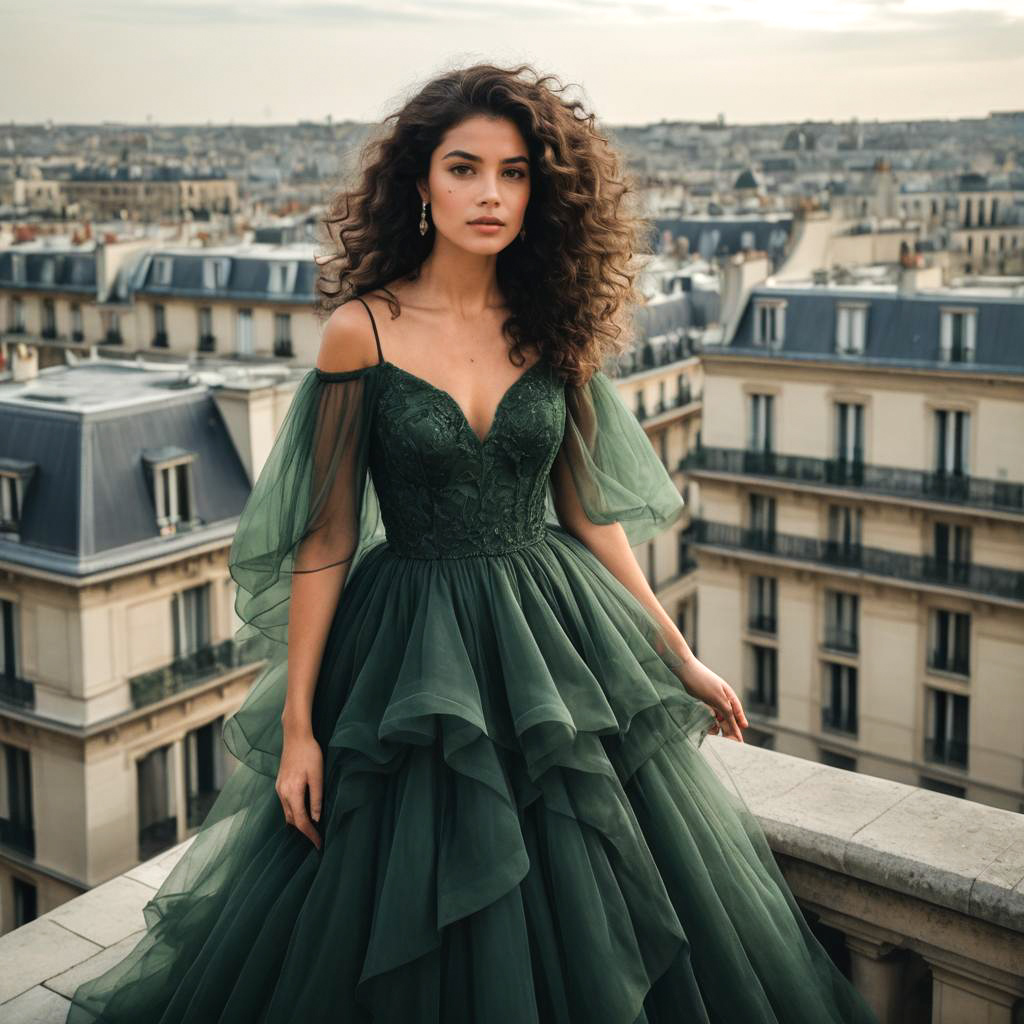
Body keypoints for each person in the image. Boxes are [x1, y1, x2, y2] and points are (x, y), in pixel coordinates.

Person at [66, 63, 880, 1024]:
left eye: (516, 172)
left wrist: (680, 653)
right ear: (419, 182)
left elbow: (591, 516)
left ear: (543, 190)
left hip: (556, 646)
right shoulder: (358, 334)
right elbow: (325, 539)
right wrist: (298, 733)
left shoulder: (558, 330)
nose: (491, 194)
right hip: (409, 653)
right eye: (465, 168)